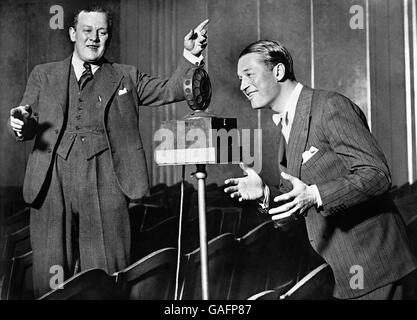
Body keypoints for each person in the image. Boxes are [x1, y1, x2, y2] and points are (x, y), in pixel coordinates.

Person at [8, 5, 208, 297]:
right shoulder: (43, 75)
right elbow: (26, 122)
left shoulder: (126, 76)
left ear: (108, 37)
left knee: (106, 276)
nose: (93, 38)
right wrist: (20, 124)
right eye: (87, 31)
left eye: (101, 32)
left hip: (108, 180)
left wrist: (189, 55)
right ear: (73, 33)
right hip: (51, 180)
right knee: (50, 276)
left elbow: (172, 89)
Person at [224, 39, 417, 300]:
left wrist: (316, 195)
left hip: (377, 268)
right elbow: (297, 198)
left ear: (278, 72)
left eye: (249, 75)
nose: (243, 86)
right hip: (346, 271)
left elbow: (377, 174)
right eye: (239, 78)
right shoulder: (286, 126)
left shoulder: (329, 107)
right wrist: (265, 195)